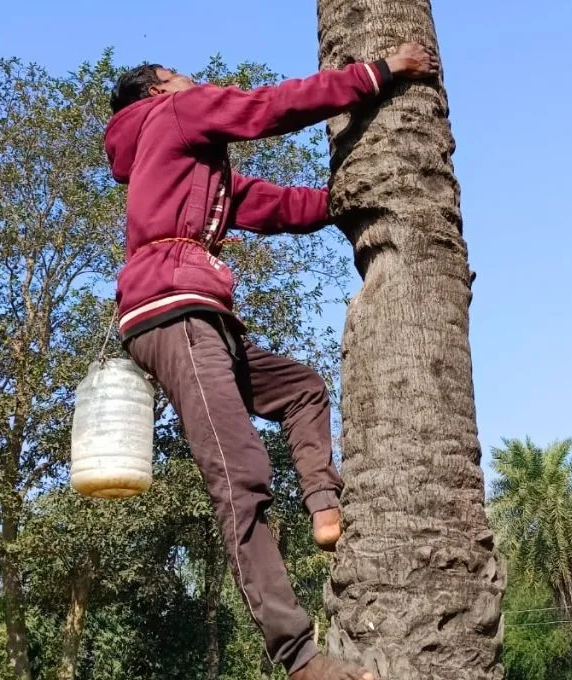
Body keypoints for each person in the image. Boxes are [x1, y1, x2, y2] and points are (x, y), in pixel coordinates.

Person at [104, 43, 438, 680]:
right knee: (240, 477)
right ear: (156, 88)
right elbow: (268, 108)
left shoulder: (189, 162)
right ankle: (300, 658)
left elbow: (270, 205)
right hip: (174, 313)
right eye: (179, 71)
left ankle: (324, 506)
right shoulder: (175, 115)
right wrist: (381, 73)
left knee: (301, 389)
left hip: (201, 316)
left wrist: (350, 202)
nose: (192, 76)